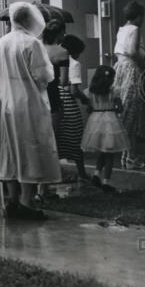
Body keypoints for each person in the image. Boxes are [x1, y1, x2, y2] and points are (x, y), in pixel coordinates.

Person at [0, 2, 60, 219]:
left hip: (7, 100)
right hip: (28, 101)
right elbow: (43, 76)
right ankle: (26, 201)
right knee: (30, 148)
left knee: (11, 148)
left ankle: (13, 199)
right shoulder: (32, 43)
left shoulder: (2, 42)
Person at [113, 1, 145, 159]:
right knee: (132, 110)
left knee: (125, 109)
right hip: (131, 70)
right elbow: (132, 51)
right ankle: (130, 155)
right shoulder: (135, 29)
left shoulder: (122, 29)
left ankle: (127, 155)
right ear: (138, 16)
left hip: (120, 69)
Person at [81, 65, 129, 192]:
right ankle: (106, 182)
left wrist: (94, 107)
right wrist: (114, 107)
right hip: (110, 120)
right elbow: (120, 108)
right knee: (109, 154)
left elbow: (88, 108)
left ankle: (96, 174)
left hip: (95, 120)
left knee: (103, 150)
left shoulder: (90, 91)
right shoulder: (113, 91)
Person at [57, 34, 90, 182]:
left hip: (55, 101)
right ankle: (82, 173)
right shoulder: (74, 64)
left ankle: (55, 174)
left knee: (58, 138)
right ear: (75, 52)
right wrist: (86, 99)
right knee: (75, 137)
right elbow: (74, 90)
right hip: (68, 103)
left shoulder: (55, 60)